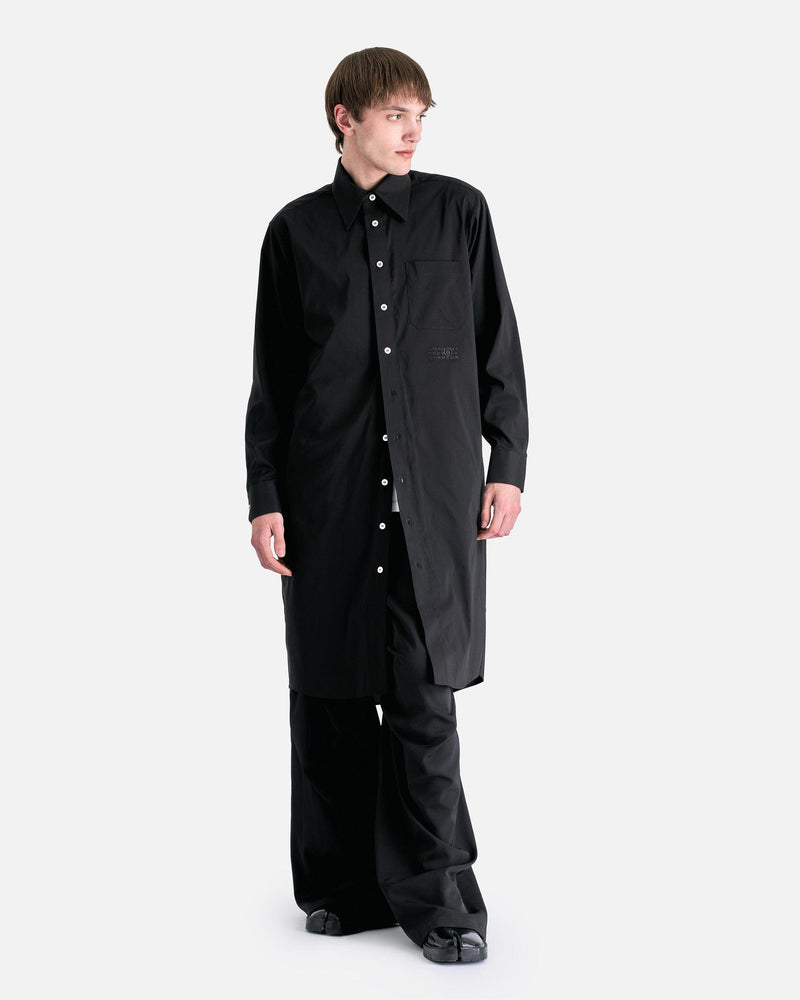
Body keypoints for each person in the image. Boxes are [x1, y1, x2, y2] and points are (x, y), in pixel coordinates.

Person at [245, 46, 529, 965]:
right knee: (328, 696)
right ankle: (342, 886)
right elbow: (274, 382)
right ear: (346, 118)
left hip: (432, 505)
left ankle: (440, 896)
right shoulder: (294, 234)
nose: (412, 132)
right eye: (396, 115)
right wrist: (264, 496)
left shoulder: (459, 214)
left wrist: (508, 460)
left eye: (420, 117)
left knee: (422, 699)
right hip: (326, 501)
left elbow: (498, 346)